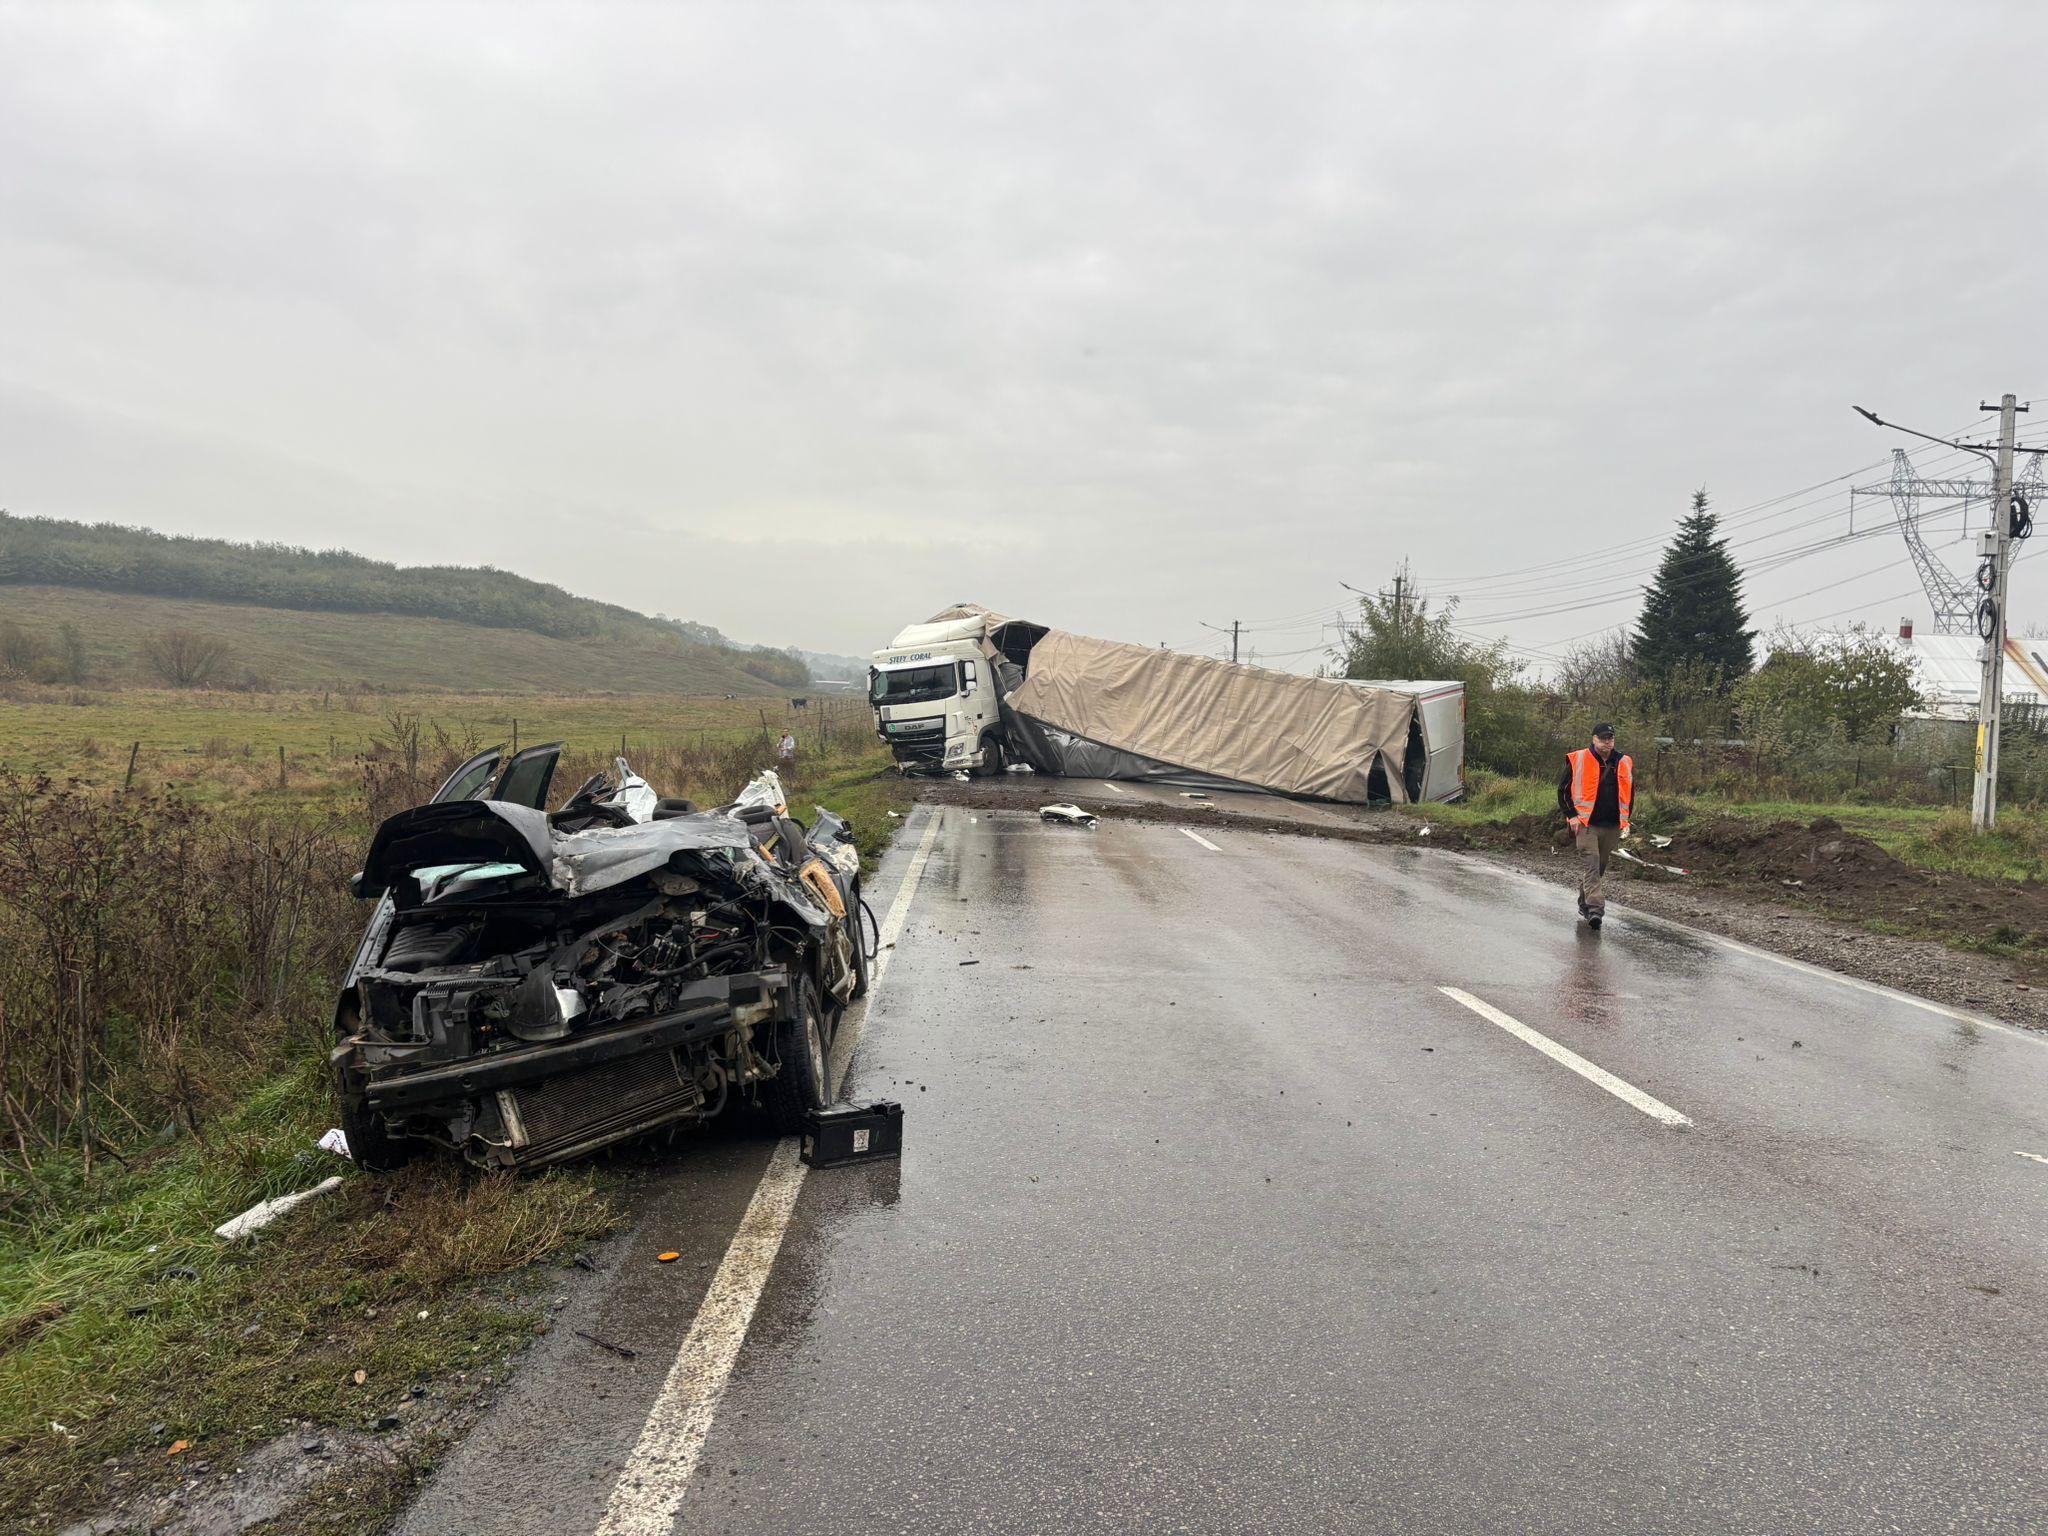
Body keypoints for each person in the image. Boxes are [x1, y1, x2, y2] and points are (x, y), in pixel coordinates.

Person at [1556, 723, 1631, 930]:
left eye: (1611, 738)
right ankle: (1596, 910)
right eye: (1604, 737)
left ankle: (1583, 903)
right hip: (1586, 823)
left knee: (1599, 868)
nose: (1608, 741)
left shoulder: (1623, 761)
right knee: (1592, 863)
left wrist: (1626, 820)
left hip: (1612, 825)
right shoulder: (1579, 758)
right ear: (1594, 739)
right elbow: (1562, 790)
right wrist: (1571, 816)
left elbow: (1629, 793)